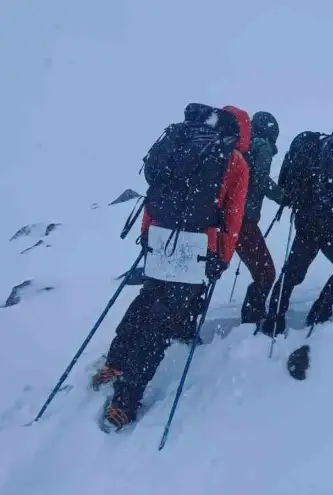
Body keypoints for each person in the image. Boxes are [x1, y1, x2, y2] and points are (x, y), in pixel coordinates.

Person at [91, 104, 251, 431]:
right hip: (197, 246)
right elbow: (233, 216)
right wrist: (222, 257)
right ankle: (125, 401)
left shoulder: (182, 144)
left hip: (161, 237)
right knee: (162, 323)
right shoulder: (234, 161)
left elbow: (155, 194)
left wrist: (148, 233)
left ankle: (115, 363)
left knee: (146, 301)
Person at [262, 119, 333, 335]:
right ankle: (318, 315)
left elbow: (332, 191)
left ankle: (273, 322)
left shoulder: (319, 144)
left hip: (304, 215)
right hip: (321, 220)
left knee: (292, 273)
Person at [238, 111, 287, 325]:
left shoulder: (241, 147)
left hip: (222, 219)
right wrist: (283, 197)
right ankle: (252, 321)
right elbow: (260, 180)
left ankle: (182, 322)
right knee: (266, 273)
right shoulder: (262, 146)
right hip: (242, 222)